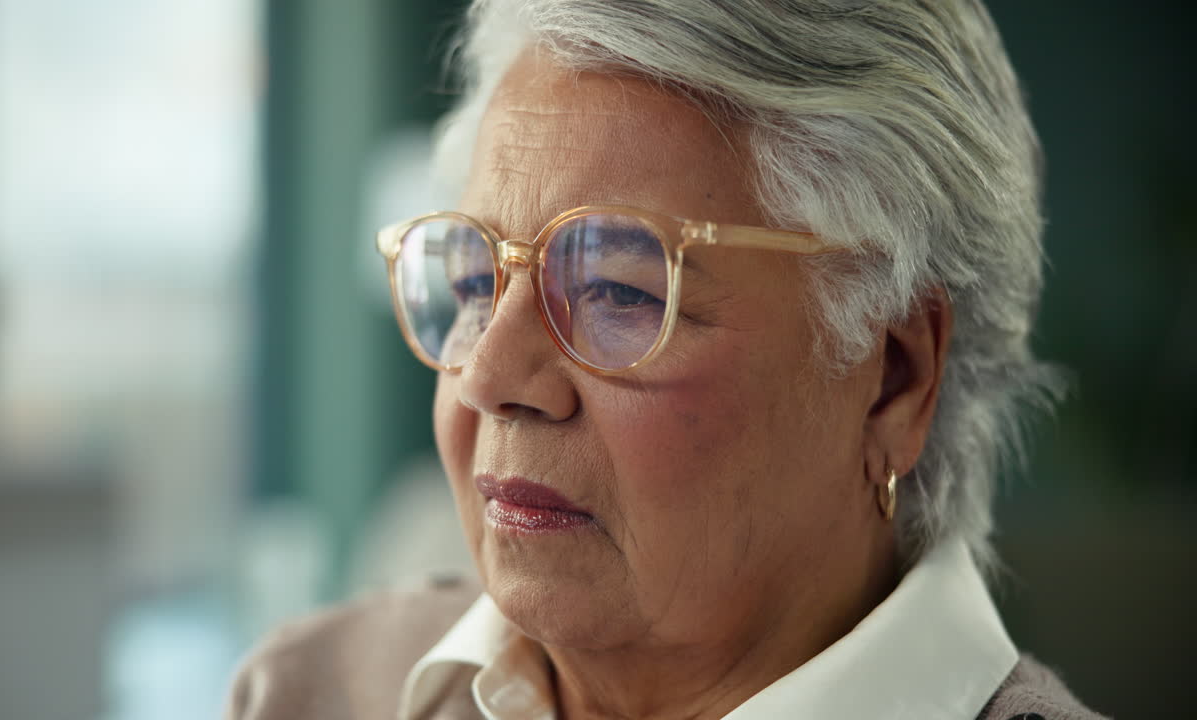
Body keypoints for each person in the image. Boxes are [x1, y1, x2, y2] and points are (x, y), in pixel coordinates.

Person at [227, 1, 1105, 718]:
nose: (490, 377)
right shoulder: (306, 694)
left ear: (895, 380)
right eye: (474, 284)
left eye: (617, 290)